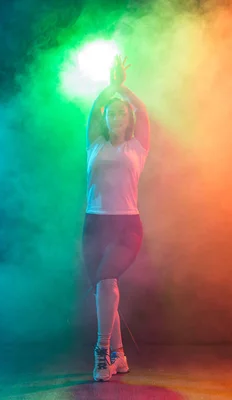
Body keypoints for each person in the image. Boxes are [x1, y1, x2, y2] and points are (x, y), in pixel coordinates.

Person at [82, 55, 150, 382]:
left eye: (123, 111)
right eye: (112, 111)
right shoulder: (94, 144)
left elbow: (145, 112)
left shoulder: (138, 147)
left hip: (127, 225)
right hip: (95, 224)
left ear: (129, 119)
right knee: (105, 290)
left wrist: (122, 88)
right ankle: (120, 357)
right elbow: (93, 109)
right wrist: (109, 89)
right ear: (106, 118)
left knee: (107, 281)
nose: (117, 114)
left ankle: (101, 352)